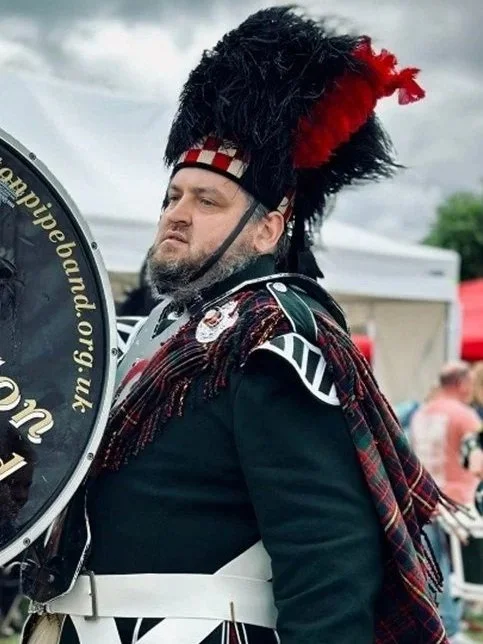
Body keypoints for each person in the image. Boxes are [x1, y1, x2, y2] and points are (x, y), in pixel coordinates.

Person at [22, 7, 450, 644]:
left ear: (269, 226)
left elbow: (328, 562)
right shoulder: (155, 335)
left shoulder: (276, 338)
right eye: (173, 196)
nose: (177, 214)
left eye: (207, 200)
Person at [411, 361, 483, 643]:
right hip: (459, 503)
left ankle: (439, 628)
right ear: (463, 384)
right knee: (461, 577)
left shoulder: (420, 414)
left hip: (427, 501)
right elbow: (476, 463)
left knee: (434, 571)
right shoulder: (465, 416)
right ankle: (452, 631)